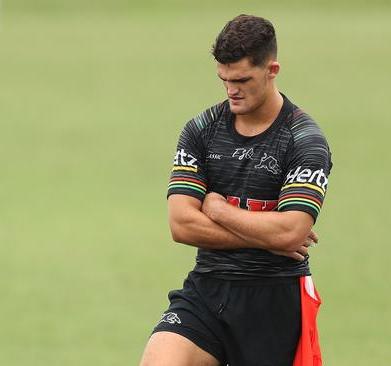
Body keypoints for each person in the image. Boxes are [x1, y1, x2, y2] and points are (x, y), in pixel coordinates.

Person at [139, 14, 331, 366]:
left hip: (275, 302)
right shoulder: (200, 130)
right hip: (206, 291)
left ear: (272, 70)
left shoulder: (305, 140)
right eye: (224, 79)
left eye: (242, 79)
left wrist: (217, 210)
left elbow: (291, 231)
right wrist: (268, 234)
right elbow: (182, 225)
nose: (231, 90)